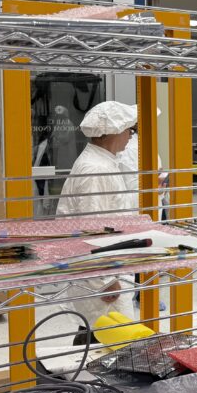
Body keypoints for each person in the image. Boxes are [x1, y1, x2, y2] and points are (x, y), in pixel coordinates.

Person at [56, 101, 140, 341]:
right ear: (112, 132)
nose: (130, 135)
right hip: (102, 279)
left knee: (101, 332)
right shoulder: (95, 170)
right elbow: (92, 229)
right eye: (129, 130)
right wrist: (106, 280)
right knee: (103, 335)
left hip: (108, 269)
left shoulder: (103, 162)